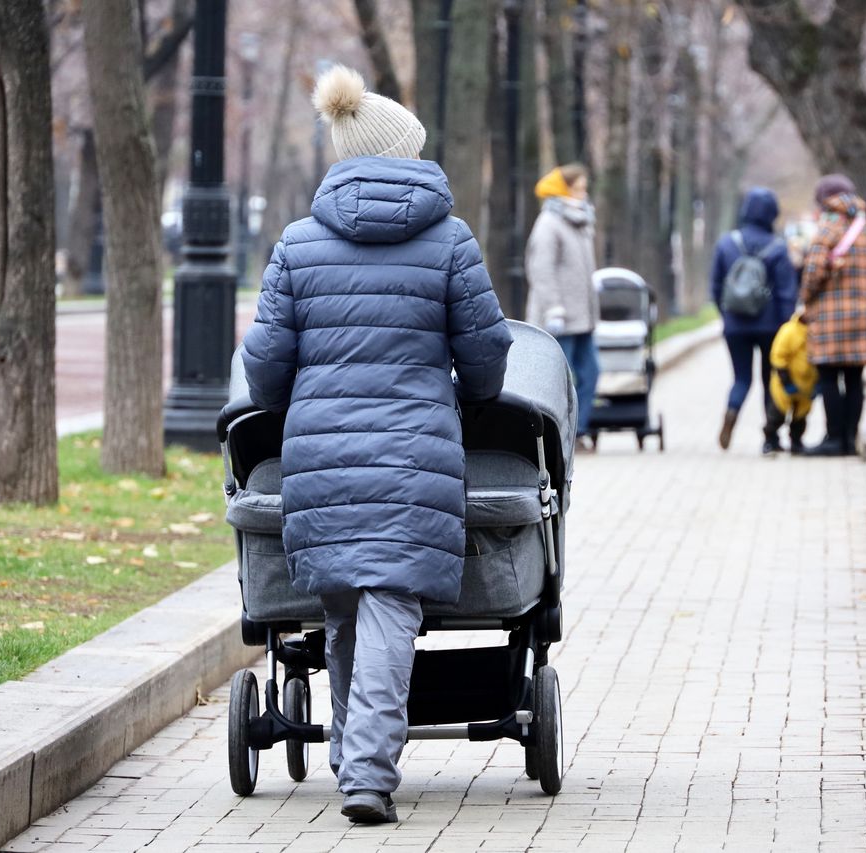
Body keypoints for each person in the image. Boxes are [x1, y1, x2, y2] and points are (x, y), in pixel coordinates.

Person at [241, 65, 513, 825]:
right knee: (391, 605)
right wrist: (466, 392)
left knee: (347, 608)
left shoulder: (296, 246)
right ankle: (365, 773)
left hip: (321, 459)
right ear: (406, 156)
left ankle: (350, 761)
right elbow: (487, 357)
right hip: (412, 453)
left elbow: (263, 370)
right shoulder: (451, 241)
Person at [800, 174, 866, 456]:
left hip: (830, 318)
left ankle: (834, 439)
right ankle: (851, 440)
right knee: (855, 378)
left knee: (828, 378)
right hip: (864, 317)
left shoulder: (827, 230)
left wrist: (806, 299)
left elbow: (813, 274)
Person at [710, 187, 799, 454]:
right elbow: (787, 293)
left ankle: (731, 413)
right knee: (770, 379)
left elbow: (715, 286)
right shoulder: (778, 247)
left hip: (736, 325)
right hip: (770, 325)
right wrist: (786, 325)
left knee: (741, 379)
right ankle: (770, 439)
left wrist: (726, 315)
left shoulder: (727, 243)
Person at [525, 163, 600, 448]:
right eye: (579, 187)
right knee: (560, 382)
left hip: (583, 317)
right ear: (563, 189)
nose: (583, 193)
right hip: (561, 318)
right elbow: (541, 269)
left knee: (591, 372)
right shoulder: (549, 223)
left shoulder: (580, 221)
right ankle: (560, 438)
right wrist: (554, 307)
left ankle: (578, 432)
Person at [767, 308, 818, 455]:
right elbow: (778, 356)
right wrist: (786, 380)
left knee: (800, 418)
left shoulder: (817, 332)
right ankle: (770, 440)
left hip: (807, 386)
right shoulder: (789, 331)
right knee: (776, 415)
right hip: (785, 384)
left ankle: (796, 442)